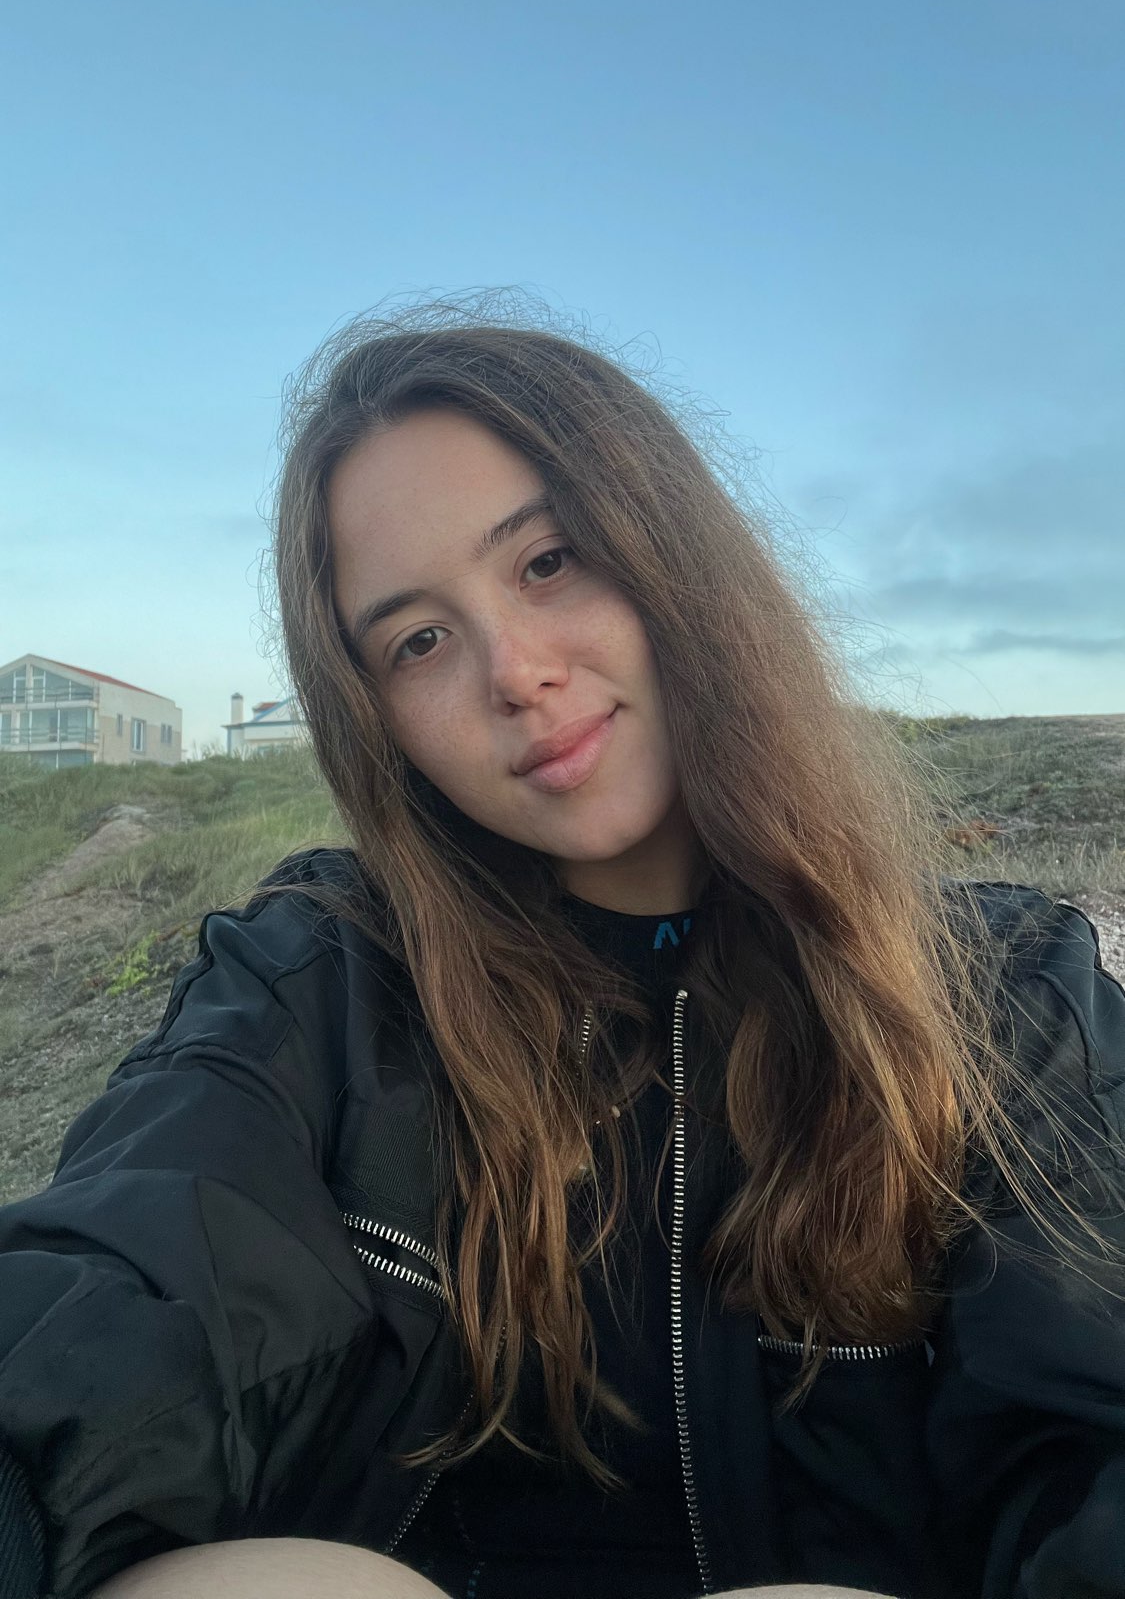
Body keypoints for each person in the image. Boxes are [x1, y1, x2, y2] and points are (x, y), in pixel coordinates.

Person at [1, 300, 1123, 1599]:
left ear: (676, 554)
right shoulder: (320, 982)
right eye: (418, 641)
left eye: (548, 561)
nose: (514, 671)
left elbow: (1090, 1420)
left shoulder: (998, 989)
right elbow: (116, 1298)